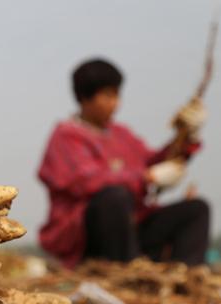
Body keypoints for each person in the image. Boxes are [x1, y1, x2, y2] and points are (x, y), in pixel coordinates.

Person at [37, 58, 210, 268]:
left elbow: (153, 160)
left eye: (117, 95)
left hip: (133, 228)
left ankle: (185, 276)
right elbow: (86, 181)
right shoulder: (65, 135)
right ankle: (128, 272)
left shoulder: (121, 134)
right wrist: (147, 177)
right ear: (85, 97)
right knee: (114, 196)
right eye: (108, 95)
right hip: (87, 238)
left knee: (197, 209)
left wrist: (186, 136)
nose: (116, 103)